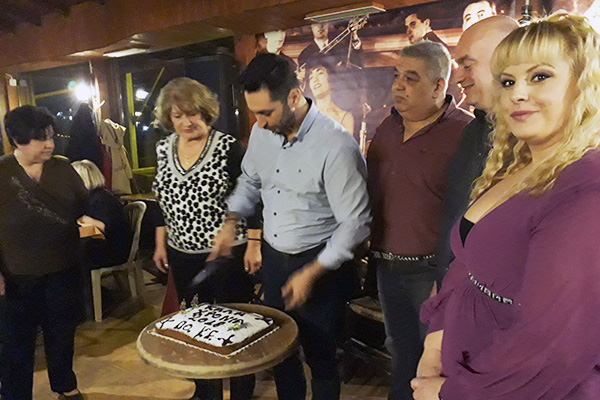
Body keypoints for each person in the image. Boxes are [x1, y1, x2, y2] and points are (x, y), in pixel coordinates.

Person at [415, 13, 600, 399]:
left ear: (584, 85)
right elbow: (467, 262)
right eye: (508, 81)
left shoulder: (586, 185)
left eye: (540, 76)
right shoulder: (519, 166)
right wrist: (436, 342)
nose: (517, 93)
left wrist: (451, 393)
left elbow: (552, 351)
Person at [211, 53, 371, 400]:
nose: (260, 123)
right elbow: (250, 180)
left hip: (320, 264)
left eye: (266, 112)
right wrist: (231, 220)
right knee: (280, 352)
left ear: (294, 97)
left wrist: (311, 273)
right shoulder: (262, 132)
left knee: (322, 358)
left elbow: (355, 224)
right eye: (255, 114)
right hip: (275, 258)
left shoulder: (336, 145)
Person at [366, 40, 472, 400]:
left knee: (435, 363)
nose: (398, 86)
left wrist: (447, 279)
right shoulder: (386, 128)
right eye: (397, 76)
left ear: (439, 85)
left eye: (411, 79)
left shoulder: (466, 133)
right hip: (386, 268)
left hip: (433, 274)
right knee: (400, 355)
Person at [151, 77, 261, 400]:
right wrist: (159, 243)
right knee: (196, 327)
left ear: (206, 112)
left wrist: (254, 243)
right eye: (178, 116)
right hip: (182, 254)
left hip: (227, 255)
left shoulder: (228, 147)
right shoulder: (162, 149)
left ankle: (241, 392)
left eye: (193, 114)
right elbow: (161, 199)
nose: (186, 122)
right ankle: (205, 391)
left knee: (235, 328)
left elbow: (251, 197)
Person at [0, 106, 88, 400]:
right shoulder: (2, 172)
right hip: (15, 275)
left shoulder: (62, 168)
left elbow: (83, 206)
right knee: (15, 342)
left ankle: (64, 384)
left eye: (51, 137)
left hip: (63, 268)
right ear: (17, 140)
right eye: (41, 138)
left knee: (61, 333)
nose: (50, 144)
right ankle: (15, 395)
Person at [436, 16, 518, 287]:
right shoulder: (472, 131)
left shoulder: (538, 144)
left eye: (467, 65)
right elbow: (454, 216)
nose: (458, 77)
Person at [72, 159, 132, 270]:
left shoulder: (102, 199)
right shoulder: (91, 197)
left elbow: (109, 228)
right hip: (101, 245)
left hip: (113, 250)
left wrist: (86, 219)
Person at [307, 58, 355, 135]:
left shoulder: (344, 117)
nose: (315, 79)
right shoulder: (304, 116)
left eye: (320, 73)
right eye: (311, 77)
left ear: (331, 80)